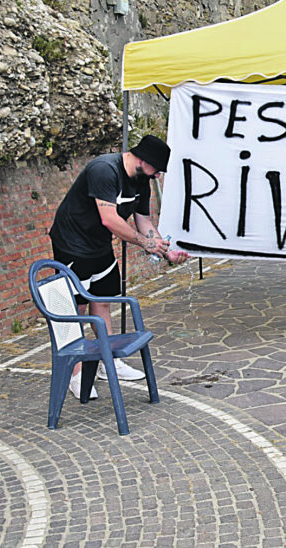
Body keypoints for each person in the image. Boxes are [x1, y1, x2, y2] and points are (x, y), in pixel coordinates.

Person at [49, 134, 189, 398]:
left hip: (99, 245)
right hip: (72, 243)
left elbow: (144, 221)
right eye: (156, 169)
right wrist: (143, 243)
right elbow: (110, 219)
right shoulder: (104, 170)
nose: (157, 175)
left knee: (102, 301)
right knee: (76, 307)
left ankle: (108, 361)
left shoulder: (142, 180)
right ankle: (76, 373)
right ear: (142, 159)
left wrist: (162, 249)